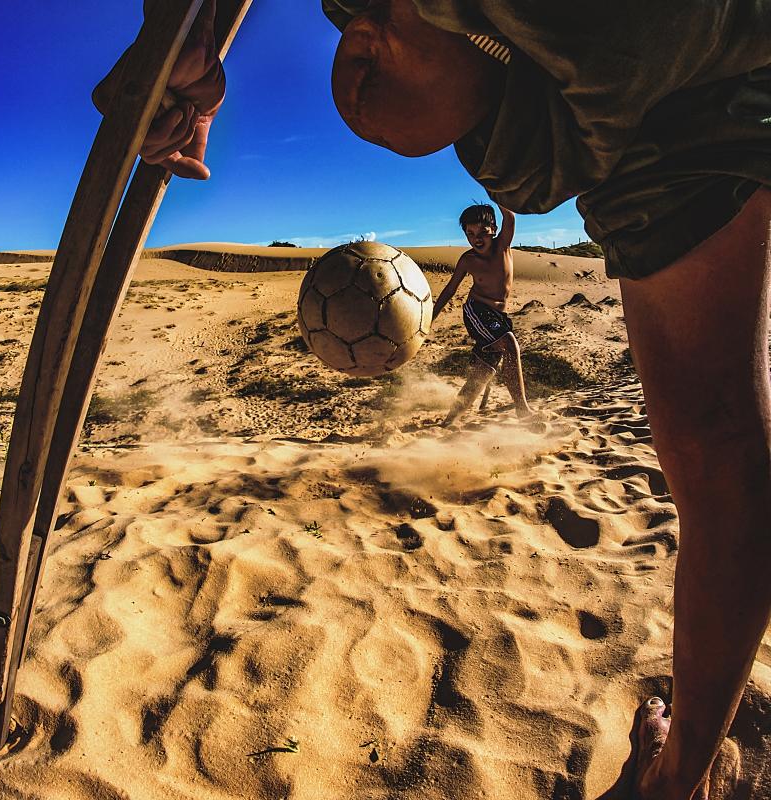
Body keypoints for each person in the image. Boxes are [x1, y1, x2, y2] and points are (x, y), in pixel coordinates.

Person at [95, 2, 771, 797]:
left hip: (676, 92)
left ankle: (679, 776)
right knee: (696, 439)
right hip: (596, 127)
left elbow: (613, 83)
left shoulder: (621, 60)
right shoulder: (522, 120)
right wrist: (187, 30)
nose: (352, 36)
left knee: (714, 448)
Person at [432, 203, 531, 425]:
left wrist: (494, 187)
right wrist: (431, 316)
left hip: (498, 316)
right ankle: (522, 409)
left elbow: (510, 215)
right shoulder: (468, 260)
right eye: (470, 234)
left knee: (482, 373)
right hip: (476, 311)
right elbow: (450, 289)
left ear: (494, 230)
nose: (477, 239)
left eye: (483, 233)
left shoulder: (503, 246)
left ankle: (448, 421)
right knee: (509, 343)